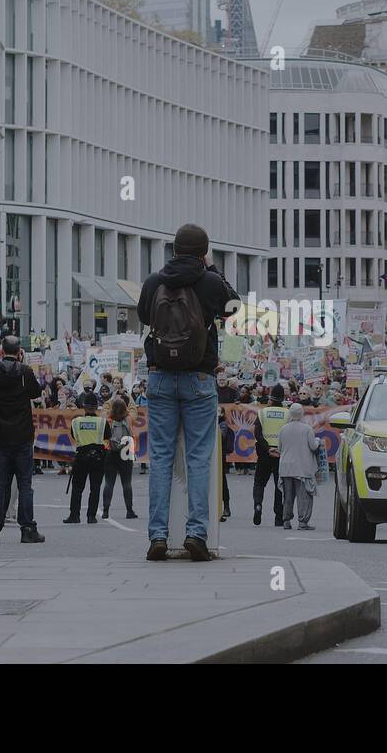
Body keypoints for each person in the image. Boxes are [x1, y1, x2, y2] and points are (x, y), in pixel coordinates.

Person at [137, 223, 239, 561]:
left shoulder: (154, 281)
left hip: (160, 377)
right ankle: (197, 533)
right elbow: (234, 308)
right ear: (203, 251)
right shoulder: (209, 282)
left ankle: (157, 536)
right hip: (199, 377)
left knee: (162, 458)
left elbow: (142, 315)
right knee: (198, 458)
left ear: (174, 248)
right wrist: (212, 269)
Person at [0, 335, 45, 544]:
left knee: (0, 483)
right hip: (22, 435)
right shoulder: (25, 372)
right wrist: (23, 364)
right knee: (25, 484)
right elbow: (36, 393)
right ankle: (27, 528)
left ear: (1, 352)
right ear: (19, 352)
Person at [278, 403, 320, 530]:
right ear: (301, 413)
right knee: (304, 496)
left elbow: (279, 448)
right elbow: (313, 446)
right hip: (302, 467)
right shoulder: (307, 429)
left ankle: (286, 520)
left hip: (285, 467)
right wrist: (318, 441)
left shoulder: (283, 429)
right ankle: (303, 522)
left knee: (288, 496)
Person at [251, 385, 288, 527]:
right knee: (279, 486)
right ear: (283, 399)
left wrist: (267, 448)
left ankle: (258, 505)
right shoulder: (287, 413)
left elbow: (258, 434)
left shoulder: (263, 413)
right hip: (281, 454)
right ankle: (279, 517)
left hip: (264, 454)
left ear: (271, 398)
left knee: (259, 483)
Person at [66, 390, 106, 523]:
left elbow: (73, 435)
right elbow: (107, 436)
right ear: (96, 408)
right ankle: (91, 516)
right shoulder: (102, 422)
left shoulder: (76, 422)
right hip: (98, 456)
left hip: (81, 456)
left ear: (83, 407)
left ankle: (74, 516)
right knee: (95, 487)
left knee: (77, 487)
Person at [101, 397, 138, 520]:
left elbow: (105, 407)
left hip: (111, 451)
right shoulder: (129, 419)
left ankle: (105, 510)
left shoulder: (108, 419)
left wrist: (112, 397)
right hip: (126, 451)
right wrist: (129, 397)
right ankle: (129, 510)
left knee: (109, 483)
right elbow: (133, 409)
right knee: (127, 483)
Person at [218, 407, 234, 521]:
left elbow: (222, 436)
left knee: (222, 481)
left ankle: (226, 506)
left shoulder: (222, 424)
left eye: (219, 411)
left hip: (219, 455)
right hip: (212, 455)